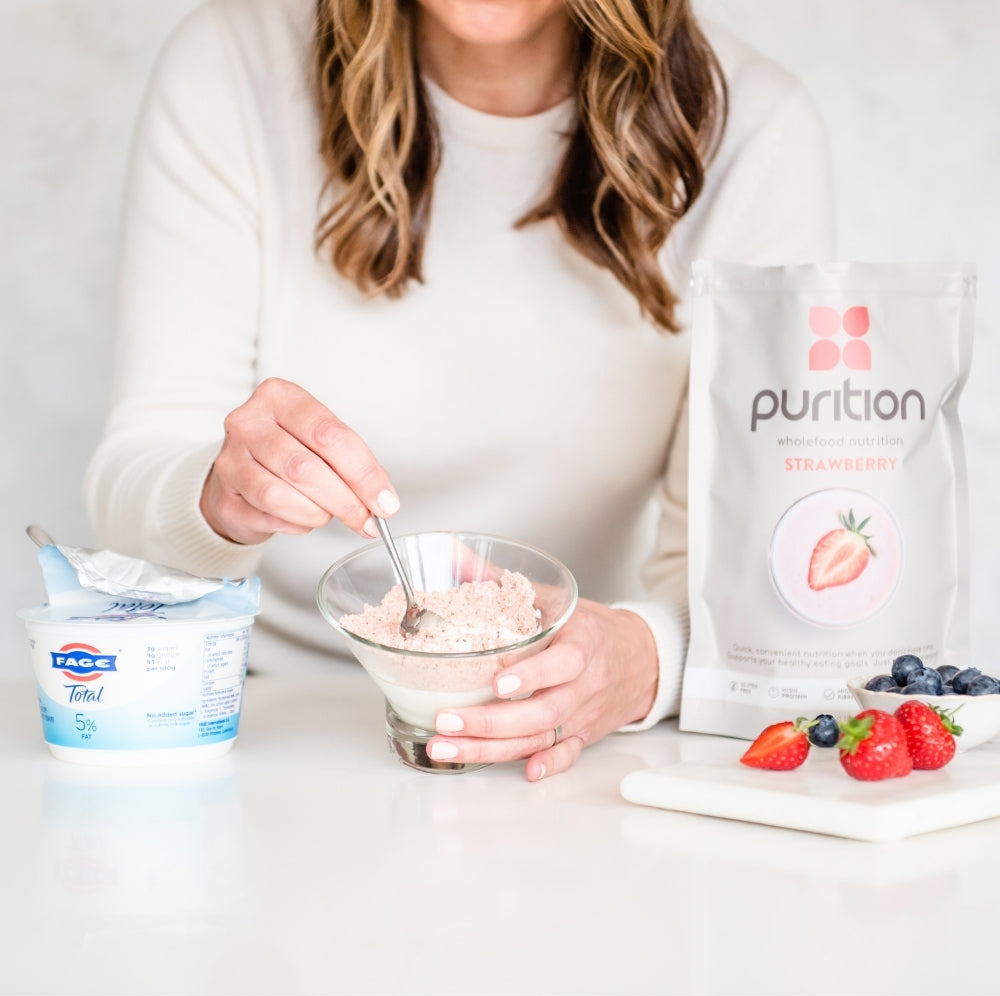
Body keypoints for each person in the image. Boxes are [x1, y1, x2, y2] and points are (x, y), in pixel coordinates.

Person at [84, 0, 834, 780]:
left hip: (553, 736)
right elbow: (134, 482)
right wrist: (222, 497)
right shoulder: (234, 67)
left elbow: (736, 568)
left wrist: (646, 654)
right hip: (253, 719)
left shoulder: (755, 133)